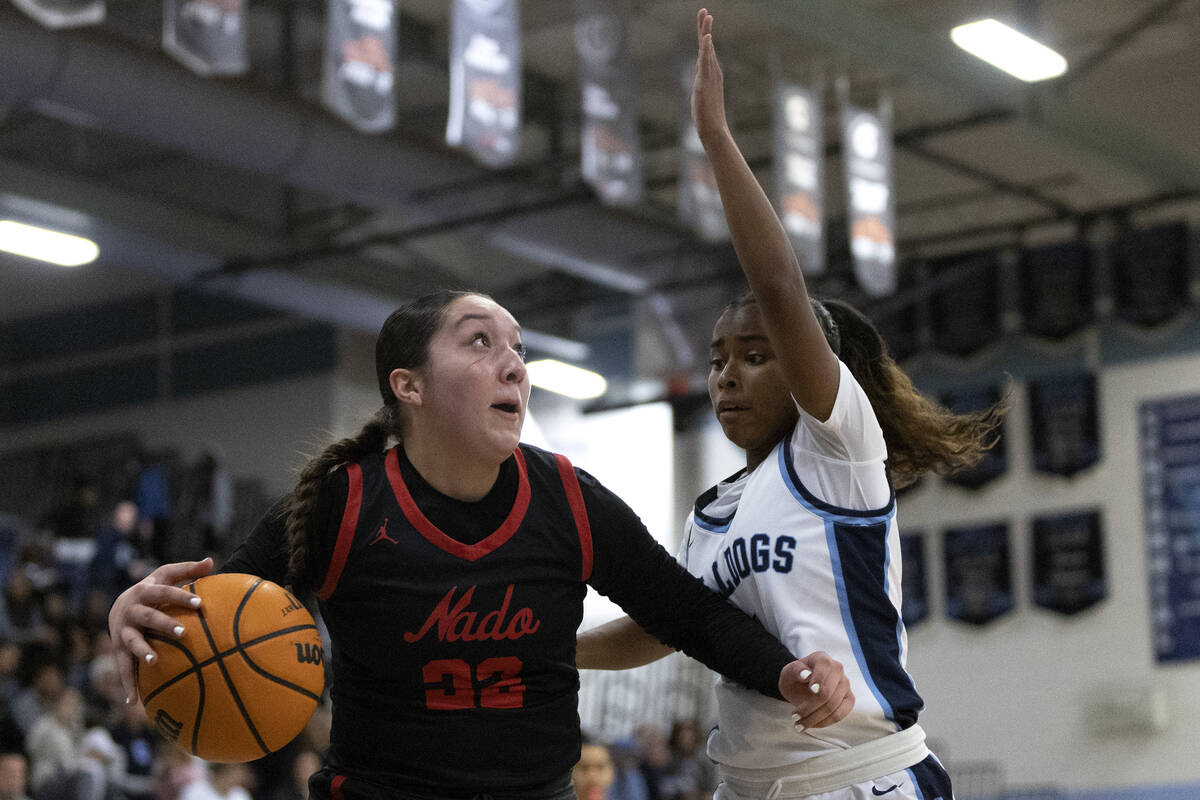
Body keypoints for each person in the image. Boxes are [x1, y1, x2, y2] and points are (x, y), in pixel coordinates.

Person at [108, 289, 855, 800]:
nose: (514, 365)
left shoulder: (566, 497)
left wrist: (784, 671)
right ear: (410, 386)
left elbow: (688, 612)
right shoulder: (342, 501)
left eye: (518, 349)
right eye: (480, 343)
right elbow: (205, 619)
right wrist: (136, 618)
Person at [576, 10, 1007, 800]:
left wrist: (715, 138)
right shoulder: (713, 513)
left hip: (856, 776)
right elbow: (675, 628)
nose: (726, 378)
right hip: (746, 783)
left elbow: (778, 287)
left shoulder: (837, 452)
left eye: (754, 355)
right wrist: (551, 644)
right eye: (715, 362)